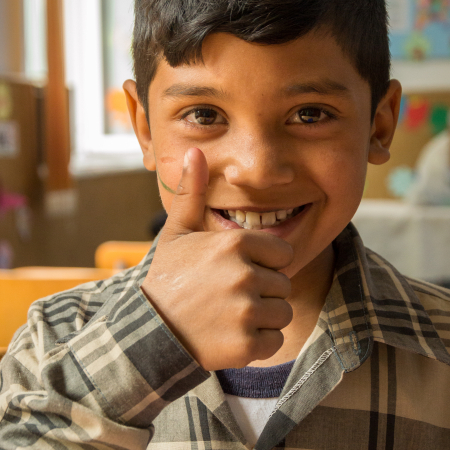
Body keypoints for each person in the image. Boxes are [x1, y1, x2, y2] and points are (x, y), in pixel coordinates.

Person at [1, 0, 450, 448]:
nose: (256, 170)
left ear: (378, 125)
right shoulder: (53, 339)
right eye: (204, 115)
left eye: (310, 114)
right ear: (145, 128)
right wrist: (153, 343)